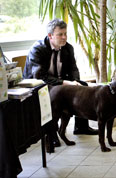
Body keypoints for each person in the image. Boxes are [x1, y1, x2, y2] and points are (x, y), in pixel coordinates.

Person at [23, 19, 98, 148]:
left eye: (65, 33)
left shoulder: (68, 48)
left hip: (60, 82)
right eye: (60, 34)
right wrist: (65, 83)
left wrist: (75, 83)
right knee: (55, 95)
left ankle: (81, 127)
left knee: (83, 87)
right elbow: (39, 76)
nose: (64, 37)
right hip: (39, 84)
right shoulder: (38, 49)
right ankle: (51, 134)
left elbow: (73, 69)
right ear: (50, 36)